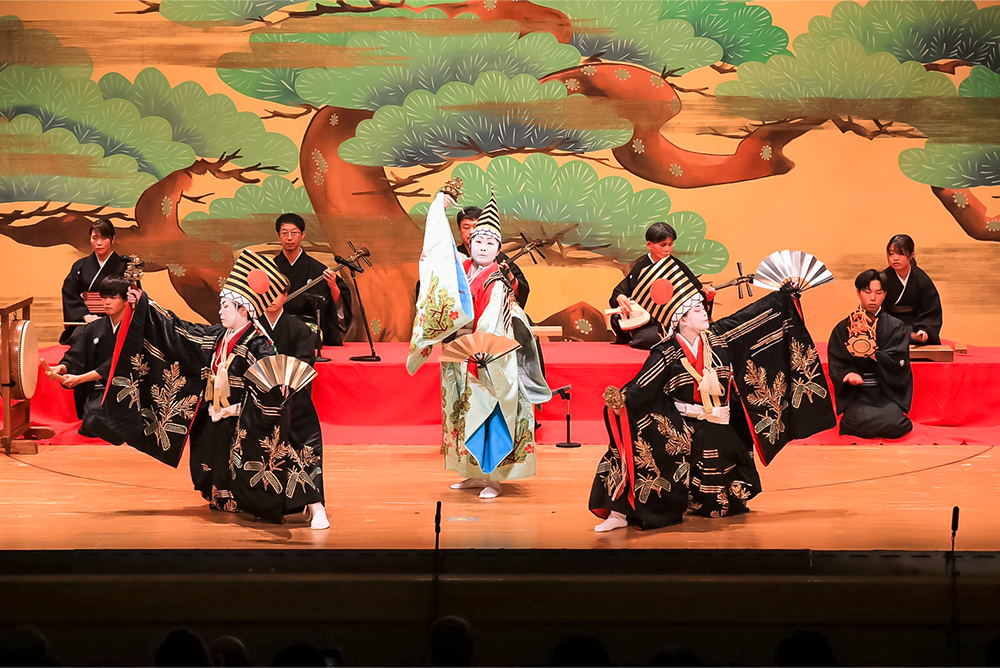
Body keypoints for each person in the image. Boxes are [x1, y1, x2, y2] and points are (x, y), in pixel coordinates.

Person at [590, 268, 835, 531]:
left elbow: (751, 317)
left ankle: (703, 501)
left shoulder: (719, 338)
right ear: (681, 320)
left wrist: (785, 297)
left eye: (703, 308)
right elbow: (641, 387)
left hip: (719, 423)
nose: (705, 312)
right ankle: (620, 511)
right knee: (638, 442)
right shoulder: (666, 352)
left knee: (722, 501)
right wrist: (619, 401)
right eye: (697, 310)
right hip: (683, 426)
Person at [103, 249, 330, 529]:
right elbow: (181, 331)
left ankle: (314, 505)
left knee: (278, 452)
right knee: (214, 458)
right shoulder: (218, 336)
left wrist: (240, 407)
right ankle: (227, 496)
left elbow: (269, 388)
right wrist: (146, 305)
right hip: (217, 417)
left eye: (225, 306)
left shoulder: (259, 345)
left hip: (246, 420)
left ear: (243, 310)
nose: (220, 311)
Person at [439, 192, 550, 499]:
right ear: (468, 245)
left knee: (490, 413)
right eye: (477, 241)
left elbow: (491, 324)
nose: (483, 247)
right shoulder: (462, 269)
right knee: (462, 413)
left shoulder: (496, 281)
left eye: (490, 244)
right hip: (462, 352)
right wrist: (440, 207)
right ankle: (472, 473)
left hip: (487, 358)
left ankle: (494, 479)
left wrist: (477, 348)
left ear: (499, 250)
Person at [258, 282, 327, 528]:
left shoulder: (300, 329)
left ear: (286, 295)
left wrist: (289, 383)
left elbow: (306, 363)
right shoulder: (254, 329)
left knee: (304, 449)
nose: (272, 298)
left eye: (277, 293)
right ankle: (265, 504)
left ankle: (314, 503)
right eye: (267, 293)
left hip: (294, 402)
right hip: (261, 403)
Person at [828, 269, 913, 439]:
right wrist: (848, 374)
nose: (873, 298)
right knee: (854, 422)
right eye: (867, 292)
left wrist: (873, 354)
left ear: (884, 295)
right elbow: (836, 360)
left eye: (878, 292)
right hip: (858, 394)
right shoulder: (843, 327)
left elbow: (900, 361)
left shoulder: (895, 326)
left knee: (894, 423)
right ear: (858, 293)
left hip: (886, 392)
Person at [46, 276, 130, 441]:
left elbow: (115, 363)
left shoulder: (135, 329)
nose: (106, 302)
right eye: (104, 297)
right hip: (100, 390)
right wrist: (61, 368)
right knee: (91, 423)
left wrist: (80, 379)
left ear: (126, 300)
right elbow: (77, 355)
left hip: (129, 391)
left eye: (113, 298)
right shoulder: (94, 328)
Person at [610, 222, 715, 349]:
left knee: (650, 338)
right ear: (649, 245)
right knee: (633, 330)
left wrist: (707, 298)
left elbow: (697, 293)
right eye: (663, 245)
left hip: (674, 322)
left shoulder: (677, 266)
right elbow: (621, 291)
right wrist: (620, 297)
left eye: (670, 245)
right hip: (649, 322)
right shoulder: (642, 266)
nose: (668, 249)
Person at [273, 213, 353, 346]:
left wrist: (333, 286)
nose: (289, 238)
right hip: (278, 326)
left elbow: (337, 305)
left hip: (309, 327)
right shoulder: (270, 269)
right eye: (284, 233)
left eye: (294, 233)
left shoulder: (317, 270)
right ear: (278, 236)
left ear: (303, 235)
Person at [60, 220, 129, 345]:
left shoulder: (124, 266)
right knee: (79, 338)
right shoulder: (80, 266)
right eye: (94, 238)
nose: (99, 243)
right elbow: (69, 291)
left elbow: (132, 295)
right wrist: (84, 314)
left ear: (113, 239)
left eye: (104, 238)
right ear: (90, 239)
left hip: (116, 319)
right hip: (88, 319)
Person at [455, 205, 530, 308]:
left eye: (476, 226)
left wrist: (511, 278)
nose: (471, 231)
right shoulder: (454, 256)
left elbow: (522, 290)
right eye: (466, 227)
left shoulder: (500, 258)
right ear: (459, 229)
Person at [882, 234, 942, 345]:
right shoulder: (883, 279)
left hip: (916, 327)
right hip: (891, 327)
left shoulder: (921, 279)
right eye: (891, 254)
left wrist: (924, 329)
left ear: (911, 255)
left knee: (920, 338)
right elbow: (876, 307)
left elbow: (931, 309)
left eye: (900, 253)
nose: (895, 258)